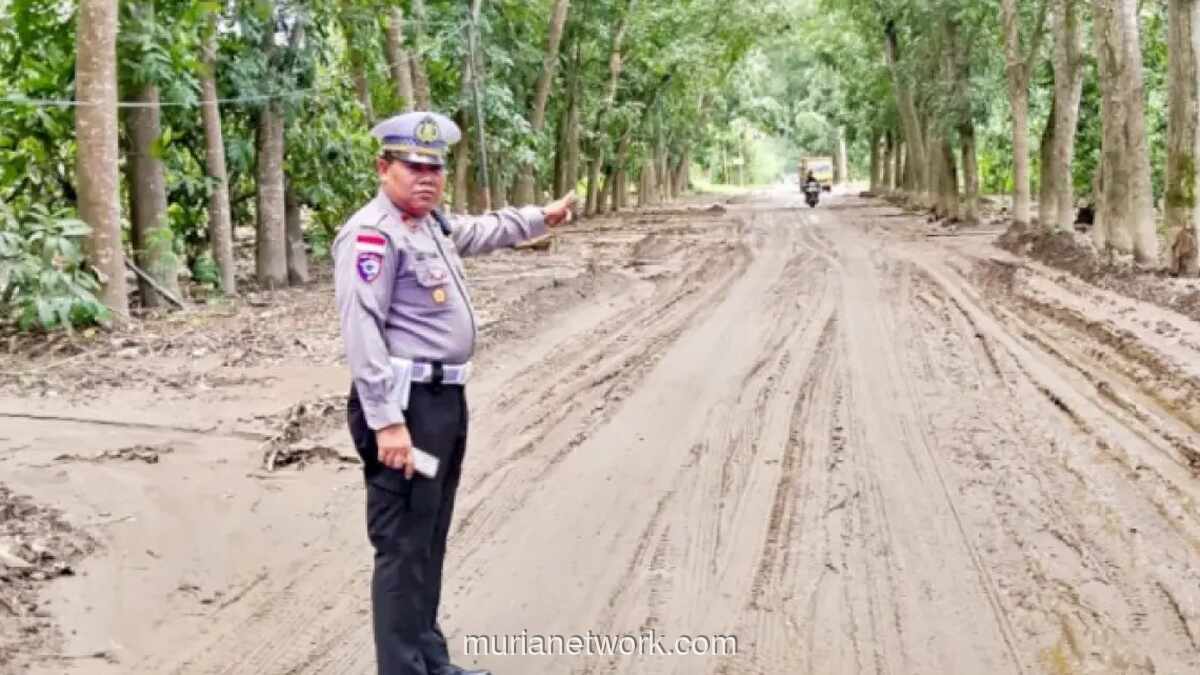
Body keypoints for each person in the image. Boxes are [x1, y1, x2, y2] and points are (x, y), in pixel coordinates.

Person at [334, 110, 576, 675]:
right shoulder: (373, 234)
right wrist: (387, 423)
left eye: (434, 168)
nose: (426, 177)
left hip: (442, 407)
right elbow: (362, 331)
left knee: (429, 536)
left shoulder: (430, 225)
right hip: (405, 410)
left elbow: (484, 230)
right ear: (383, 167)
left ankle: (429, 662)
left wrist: (542, 217)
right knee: (401, 546)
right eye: (412, 166)